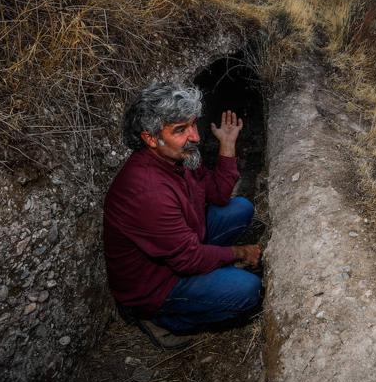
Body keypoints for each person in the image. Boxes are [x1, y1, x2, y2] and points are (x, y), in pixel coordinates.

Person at [104, 82, 262, 348]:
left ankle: (215, 273)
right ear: (150, 138)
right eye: (180, 130)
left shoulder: (180, 156)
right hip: (157, 285)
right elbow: (188, 260)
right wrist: (239, 252)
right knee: (248, 290)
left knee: (240, 208)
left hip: (187, 238)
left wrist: (227, 144)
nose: (196, 137)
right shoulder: (147, 191)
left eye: (193, 124)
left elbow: (220, 195)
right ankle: (164, 319)